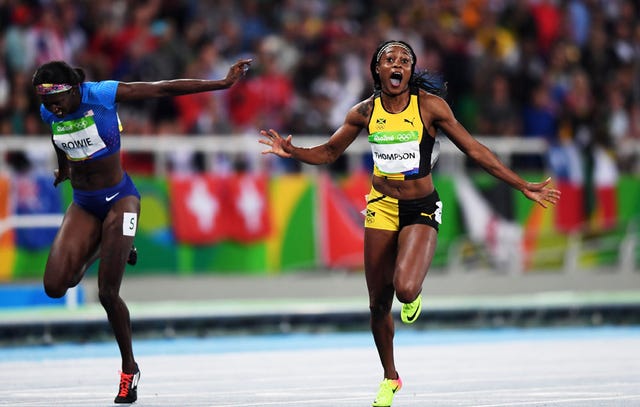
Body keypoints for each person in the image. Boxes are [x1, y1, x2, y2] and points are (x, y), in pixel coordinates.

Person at [259, 40, 560, 407]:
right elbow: (329, 152)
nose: (397, 63)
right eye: (390, 59)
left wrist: (522, 184)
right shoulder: (364, 112)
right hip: (381, 206)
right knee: (377, 304)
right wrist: (292, 152)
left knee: (404, 289)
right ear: (378, 70)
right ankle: (390, 377)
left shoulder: (430, 107)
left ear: (410, 72)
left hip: (420, 206)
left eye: (405, 59)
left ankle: (413, 292)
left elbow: (476, 150)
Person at [32, 57, 252, 404]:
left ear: (74, 90)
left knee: (107, 293)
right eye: (45, 103)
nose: (52, 108)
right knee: (57, 285)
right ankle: (111, 244)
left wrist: (220, 84)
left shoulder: (101, 95)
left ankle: (128, 369)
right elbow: (58, 138)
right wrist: (63, 168)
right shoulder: (51, 111)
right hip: (85, 203)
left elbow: (163, 88)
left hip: (121, 199)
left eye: (56, 100)